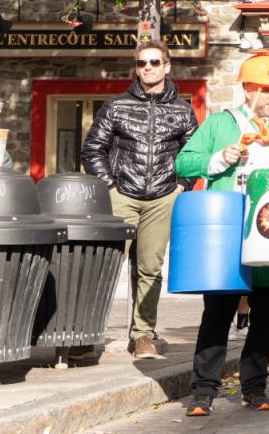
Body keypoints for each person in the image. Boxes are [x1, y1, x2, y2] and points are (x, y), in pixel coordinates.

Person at [175, 54, 269, 416]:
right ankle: (203, 391)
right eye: (266, 90)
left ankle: (254, 387)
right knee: (218, 312)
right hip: (227, 231)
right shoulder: (221, 124)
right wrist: (219, 159)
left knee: (268, 314)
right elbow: (184, 162)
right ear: (247, 89)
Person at [79, 40, 197, 360]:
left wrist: (181, 186)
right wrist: (111, 187)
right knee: (106, 264)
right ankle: (85, 334)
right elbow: (93, 149)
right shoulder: (115, 106)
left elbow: (193, 155)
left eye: (154, 62)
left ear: (167, 66)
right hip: (123, 196)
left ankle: (143, 335)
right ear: (136, 68)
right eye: (142, 63)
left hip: (162, 197)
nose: (148, 68)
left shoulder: (183, 110)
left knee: (149, 269)